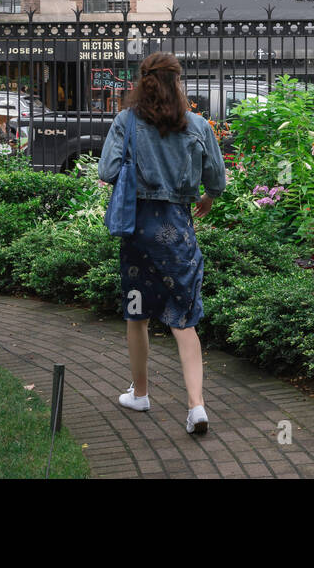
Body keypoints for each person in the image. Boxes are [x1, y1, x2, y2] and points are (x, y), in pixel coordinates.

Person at [98, 52, 226, 436]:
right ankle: (196, 407)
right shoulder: (198, 125)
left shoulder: (126, 122)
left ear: (142, 82)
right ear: (177, 82)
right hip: (177, 233)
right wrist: (205, 198)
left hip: (138, 232)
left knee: (136, 314)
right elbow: (216, 180)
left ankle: (140, 394)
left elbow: (106, 170)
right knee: (184, 320)